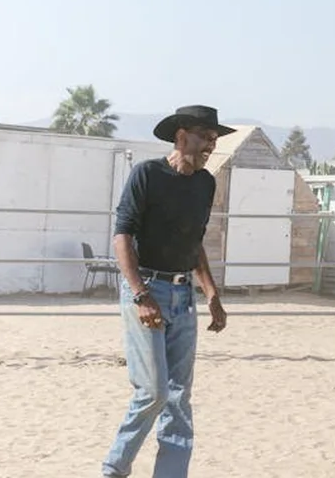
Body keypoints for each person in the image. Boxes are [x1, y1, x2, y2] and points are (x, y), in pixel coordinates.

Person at [101, 105, 234, 478]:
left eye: (214, 138)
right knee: (155, 391)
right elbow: (122, 236)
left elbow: (195, 242)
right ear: (181, 135)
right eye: (205, 136)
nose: (211, 144)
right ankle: (114, 468)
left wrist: (211, 293)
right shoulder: (147, 174)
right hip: (147, 289)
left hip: (183, 296)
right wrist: (141, 295)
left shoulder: (205, 183)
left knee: (179, 398)